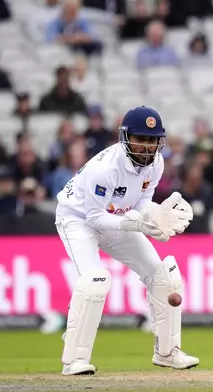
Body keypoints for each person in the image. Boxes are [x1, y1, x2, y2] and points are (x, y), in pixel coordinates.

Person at [55, 106, 198, 375]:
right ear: (125, 137)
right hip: (78, 219)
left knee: (163, 276)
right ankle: (74, 359)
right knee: (95, 281)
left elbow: (142, 201)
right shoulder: (104, 169)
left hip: (118, 217)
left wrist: (155, 215)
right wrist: (137, 223)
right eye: (140, 139)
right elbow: (95, 218)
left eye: (152, 140)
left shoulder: (156, 163)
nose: (146, 147)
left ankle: (167, 352)